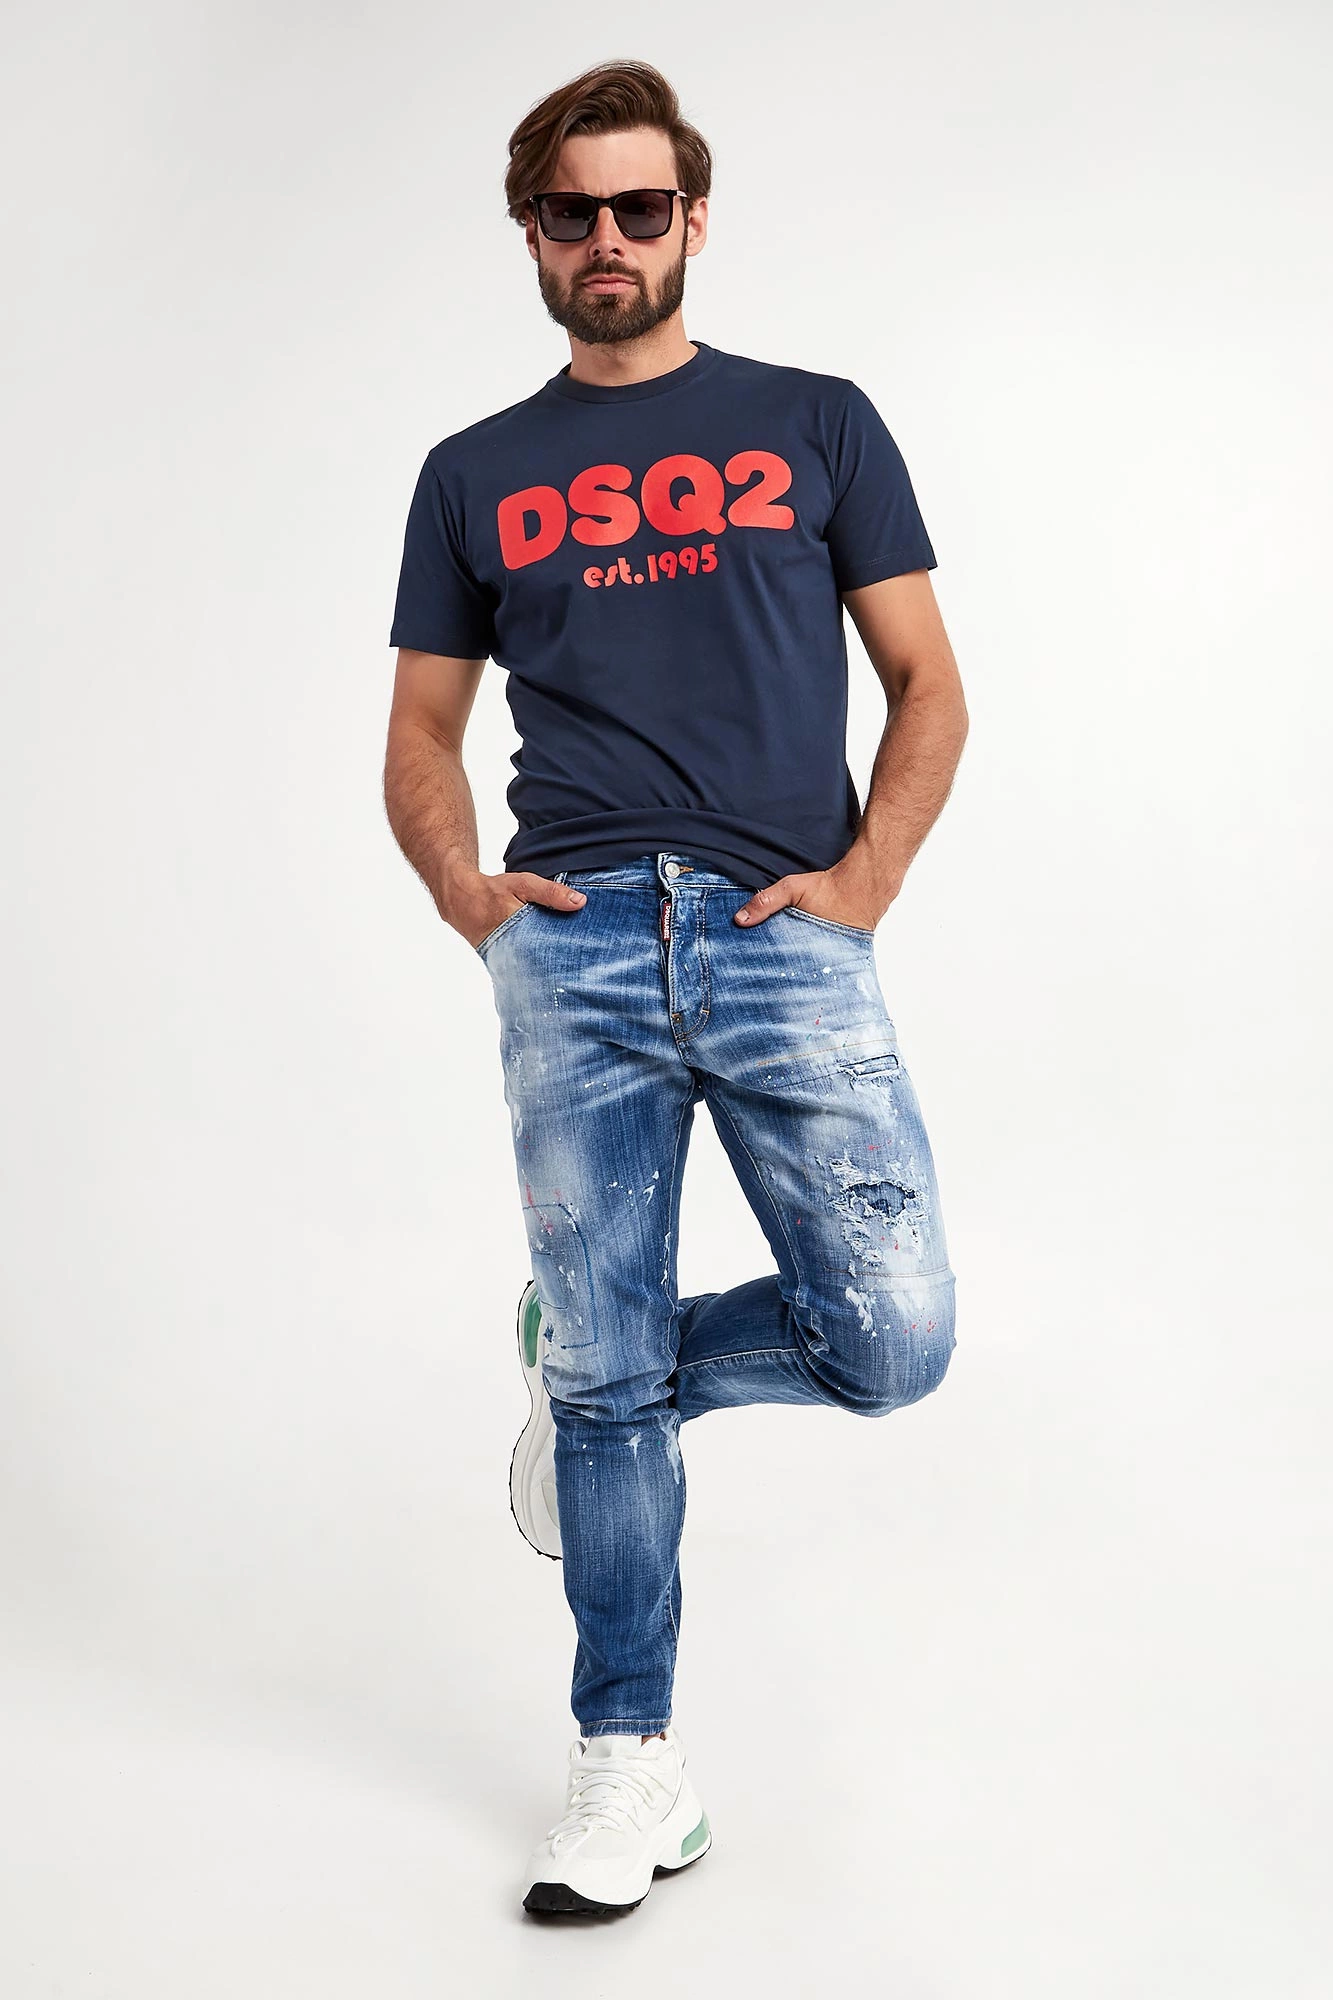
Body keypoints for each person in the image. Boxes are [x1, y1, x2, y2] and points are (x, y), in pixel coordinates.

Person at [382, 58, 968, 1919]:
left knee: (893, 1340)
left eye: (642, 207)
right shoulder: (474, 473)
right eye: (574, 213)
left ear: (694, 218)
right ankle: (626, 1758)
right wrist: (473, 898)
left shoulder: (817, 422)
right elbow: (419, 731)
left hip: (784, 934)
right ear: (532, 233)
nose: (610, 239)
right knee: (614, 1369)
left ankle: (594, 1371)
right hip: (573, 951)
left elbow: (930, 685)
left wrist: (862, 890)